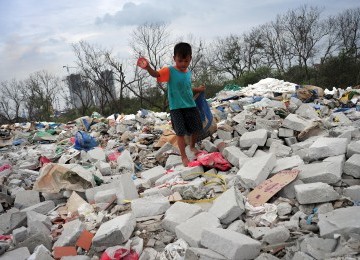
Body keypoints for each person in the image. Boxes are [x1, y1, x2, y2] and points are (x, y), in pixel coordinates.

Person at [139, 42, 205, 166]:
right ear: (174, 58)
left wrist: (199, 90)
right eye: (180, 61)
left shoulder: (188, 73)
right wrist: (147, 67)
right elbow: (156, 74)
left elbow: (187, 88)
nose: (183, 64)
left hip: (190, 105)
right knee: (180, 133)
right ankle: (184, 157)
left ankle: (192, 146)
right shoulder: (169, 71)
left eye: (186, 61)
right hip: (177, 108)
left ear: (190, 58)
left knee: (196, 128)